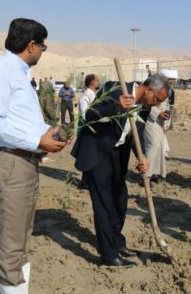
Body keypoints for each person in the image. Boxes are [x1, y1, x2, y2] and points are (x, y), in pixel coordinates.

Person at [0, 18, 68, 294]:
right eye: (43, 46)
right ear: (31, 45)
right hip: (10, 162)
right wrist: (36, 140)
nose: (42, 51)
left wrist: (47, 133)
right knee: (12, 244)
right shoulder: (1, 72)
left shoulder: (17, 73)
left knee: (21, 237)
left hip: (22, 161)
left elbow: (17, 119)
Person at [71, 73, 171, 268]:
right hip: (97, 152)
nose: (156, 104)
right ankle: (108, 255)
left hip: (117, 154)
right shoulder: (115, 89)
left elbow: (137, 132)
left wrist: (141, 155)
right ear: (148, 89)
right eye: (157, 99)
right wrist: (115, 107)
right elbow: (89, 115)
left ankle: (116, 242)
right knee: (104, 205)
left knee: (120, 200)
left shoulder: (144, 104)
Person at [159, 69, 178, 158]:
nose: (171, 84)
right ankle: (164, 151)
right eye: (170, 82)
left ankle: (164, 152)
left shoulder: (171, 91)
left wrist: (168, 120)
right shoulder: (158, 89)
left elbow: (170, 106)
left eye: (172, 83)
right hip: (157, 114)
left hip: (164, 115)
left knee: (162, 132)